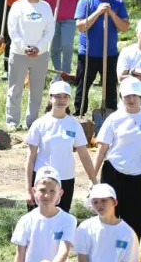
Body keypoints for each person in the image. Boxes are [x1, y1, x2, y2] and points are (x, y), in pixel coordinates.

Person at [93, 77, 141, 237]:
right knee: (109, 217)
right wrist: (92, 180)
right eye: (127, 96)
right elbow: (101, 150)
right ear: (121, 97)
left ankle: (131, 259)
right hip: (114, 172)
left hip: (138, 176)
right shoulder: (114, 119)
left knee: (134, 221)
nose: (131, 99)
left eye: (135, 95)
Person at [23, 81, 96, 211]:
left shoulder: (74, 125)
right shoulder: (39, 124)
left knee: (61, 220)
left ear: (69, 100)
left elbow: (84, 155)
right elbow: (30, 157)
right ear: (50, 98)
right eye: (57, 96)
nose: (61, 100)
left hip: (66, 179)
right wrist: (28, 189)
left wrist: (94, 181)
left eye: (65, 96)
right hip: (42, 179)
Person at [75, 0, 129, 115]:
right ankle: (79, 114)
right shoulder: (86, 1)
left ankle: (110, 114)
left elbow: (124, 27)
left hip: (109, 53)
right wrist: (98, 12)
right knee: (83, 85)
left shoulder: (117, 2)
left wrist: (112, 14)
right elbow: (80, 27)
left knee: (110, 87)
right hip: (88, 54)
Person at [6, 0, 55, 130]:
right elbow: (12, 30)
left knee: (36, 90)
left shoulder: (46, 7)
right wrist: (24, 47)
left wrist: (38, 48)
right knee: (15, 88)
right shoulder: (17, 6)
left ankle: (32, 121)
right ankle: (12, 121)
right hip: (19, 53)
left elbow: (49, 31)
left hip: (40, 55)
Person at [42, 0, 84, 77]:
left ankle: (65, 72)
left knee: (67, 45)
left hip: (69, 18)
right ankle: (58, 72)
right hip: (53, 18)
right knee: (54, 48)